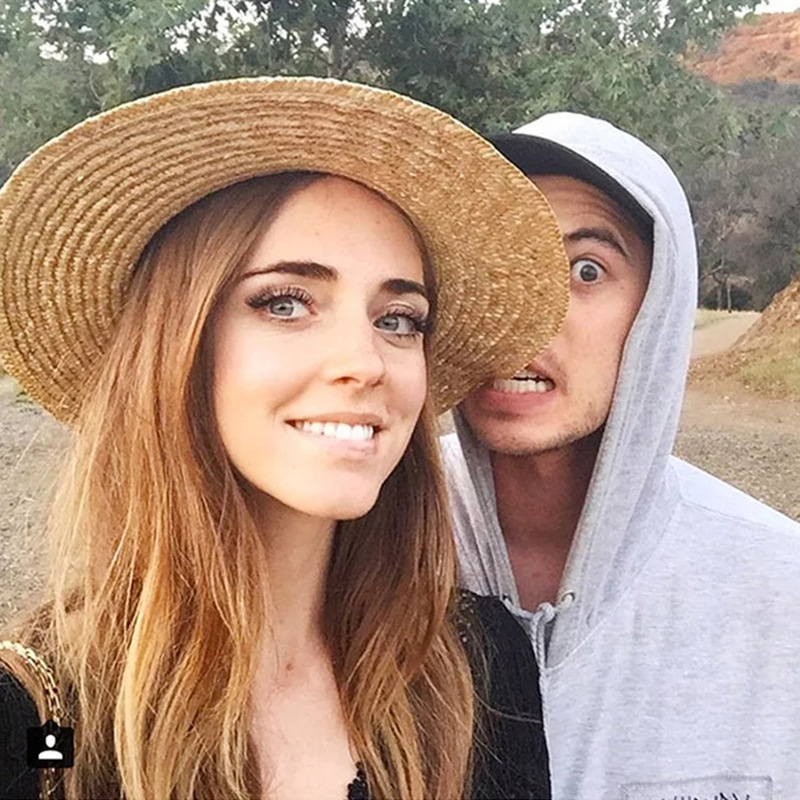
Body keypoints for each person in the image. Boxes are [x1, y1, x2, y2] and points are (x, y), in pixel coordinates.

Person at [0, 78, 569, 800]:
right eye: (285, 303)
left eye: (398, 319)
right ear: (176, 346)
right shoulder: (34, 719)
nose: (366, 362)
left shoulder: (480, 668)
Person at [442, 111, 800, 800]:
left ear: (658, 309)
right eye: (494, 268)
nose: (523, 316)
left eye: (585, 270)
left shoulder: (782, 594)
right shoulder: (356, 545)